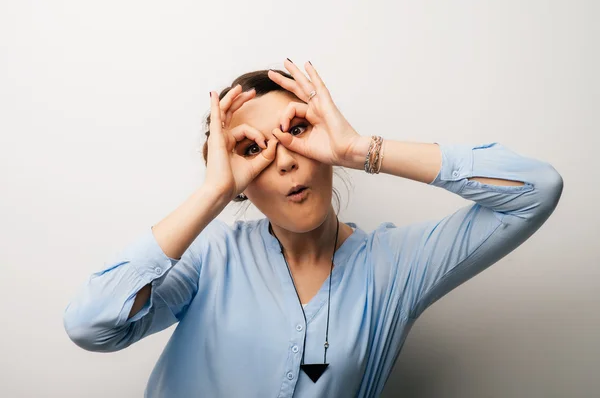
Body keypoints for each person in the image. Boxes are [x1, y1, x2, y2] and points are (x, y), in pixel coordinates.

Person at [63, 59, 564, 398]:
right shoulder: (208, 257)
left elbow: (535, 191)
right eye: (253, 150)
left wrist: (361, 150)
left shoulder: (393, 267)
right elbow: (91, 326)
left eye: (297, 131)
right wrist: (213, 192)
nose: (284, 162)